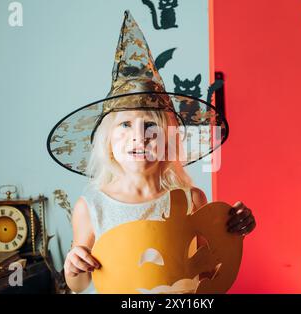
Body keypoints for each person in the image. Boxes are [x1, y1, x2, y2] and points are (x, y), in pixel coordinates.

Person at [46, 10, 256, 294]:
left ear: (168, 139)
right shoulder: (92, 207)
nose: (138, 137)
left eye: (149, 126)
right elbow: (81, 284)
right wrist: (73, 265)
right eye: (125, 125)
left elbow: (208, 269)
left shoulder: (192, 199)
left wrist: (231, 231)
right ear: (108, 140)